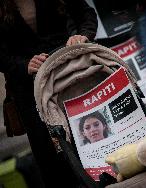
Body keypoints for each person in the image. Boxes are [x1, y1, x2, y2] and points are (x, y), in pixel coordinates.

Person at [0, 0, 98, 187]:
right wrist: (23, 65)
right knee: (51, 157)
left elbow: (86, 15)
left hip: (68, 76)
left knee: (87, 138)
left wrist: (82, 36)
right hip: (28, 91)